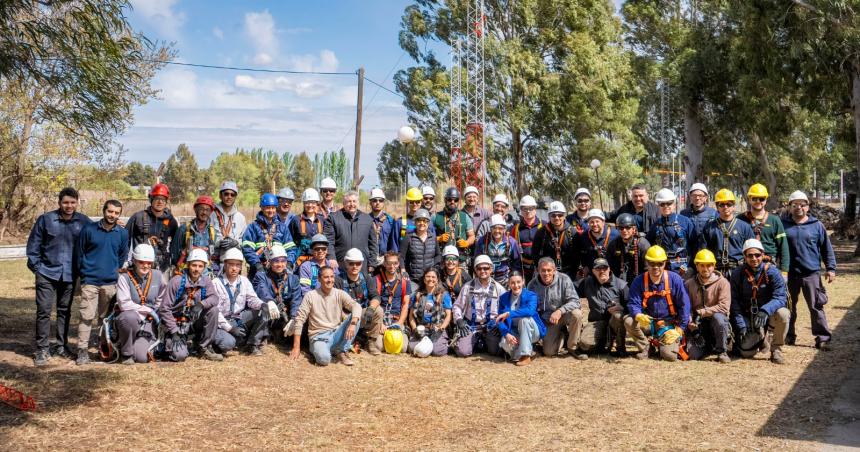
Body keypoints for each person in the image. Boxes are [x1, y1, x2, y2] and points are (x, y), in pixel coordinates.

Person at [27, 187, 92, 366]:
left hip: (70, 275)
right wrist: (38, 269)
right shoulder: (46, 220)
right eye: (65, 202)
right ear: (59, 203)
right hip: (46, 273)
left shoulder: (84, 222)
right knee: (44, 311)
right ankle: (42, 348)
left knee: (65, 312)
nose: (69, 206)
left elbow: (94, 239)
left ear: (77, 202)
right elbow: (33, 247)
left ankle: (61, 346)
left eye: (72, 202)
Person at [74, 199, 129, 365]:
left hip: (110, 282)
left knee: (105, 318)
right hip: (90, 281)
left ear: (119, 214)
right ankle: (82, 351)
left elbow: (122, 256)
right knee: (86, 316)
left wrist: (113, 270)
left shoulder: (122, 233)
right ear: (104, 211)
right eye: (110, 211)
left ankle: (104, 348)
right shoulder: (89, 229)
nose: (112, 215)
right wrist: (85, 272)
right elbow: (79, 253)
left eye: (116, 213)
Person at [782, 190, 836, 349]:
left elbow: (827, 248)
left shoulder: (817, 225)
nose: (798, 207)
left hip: (811, 274)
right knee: (788, 306)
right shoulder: (783, 224)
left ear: (807, 207)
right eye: (795, 204)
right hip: (788, 274)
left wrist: (831, 268)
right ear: (790, 207)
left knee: (816, 307)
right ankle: (788, 336)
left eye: (802, 204)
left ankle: (822, 338)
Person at [625, 245, 691, 361]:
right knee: (629, 321)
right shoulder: (639, 281)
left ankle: (661, 345)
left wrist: (680, 329)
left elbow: (684, 305)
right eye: (652, 263)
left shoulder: (674, 279)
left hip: (668, 323)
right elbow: (633, 303)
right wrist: (638, 314)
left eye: (660, 264)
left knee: (669, 356)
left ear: (665, 263)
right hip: (647, 322)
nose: (656, 267)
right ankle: (646, 348)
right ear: (647, 263)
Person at [730, 239, 790, 364]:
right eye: (750, 255)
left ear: (763, 255)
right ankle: (761, 338)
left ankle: (776, 349)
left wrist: (765, 310)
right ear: (744, 257)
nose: (754, 258)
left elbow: (780, 297)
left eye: (757, 255)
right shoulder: (737, 274)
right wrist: (741, 324)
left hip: (769, 313)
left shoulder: (772, 272)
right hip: (748, 315)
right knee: (746, 353)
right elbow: (734, 301)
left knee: (783, 313)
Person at [158, 249, 223, 362]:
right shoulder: (176, 281)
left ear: (204, 267)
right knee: (180, 356)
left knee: (214, 310)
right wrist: (173, 331)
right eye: (194, 265)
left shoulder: (206, 281)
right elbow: (164, 308)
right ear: (188, 265)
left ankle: (204, 347)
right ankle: (169, 344)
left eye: (200, 266)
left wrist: (201, 304)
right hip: (177, 323)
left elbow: (214, 298)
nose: (196, 269)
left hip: (193, 321)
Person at [289, 266, 363, 366]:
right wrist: (296, 347)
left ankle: (341, 351)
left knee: (356, 315)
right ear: (319, 279)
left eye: (332, 277)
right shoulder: (310, 295)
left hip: (336, 333)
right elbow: (300, 320)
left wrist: (353, 323)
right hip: (319, 337)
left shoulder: (339, 293)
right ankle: (325, 351)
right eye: (326, 277)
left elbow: (356, 306)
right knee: (324, 360)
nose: (330, 280)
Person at [114, 244, 166, 364]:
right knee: (128, 317)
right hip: (132, 318)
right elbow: (124, 304)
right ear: (134, 261)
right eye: (141, 262)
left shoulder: (158, 275)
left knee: (141, 358)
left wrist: (156, 309)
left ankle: (150, 343)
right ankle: (126, 353)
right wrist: (147, 310)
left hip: (149, 320)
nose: (146, 266)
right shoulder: (124, 277)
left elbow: (162, 295)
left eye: (149, 263)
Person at [212, 248, 270, 356]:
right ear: (225, 264)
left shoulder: (244, 281)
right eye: (231, 264)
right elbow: (215, 312)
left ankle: (252, 345)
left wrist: (262, 304)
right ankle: (221, 340)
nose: (234, 268)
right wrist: (230, 329)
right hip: (222, 322)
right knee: (228, 344)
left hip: (238, 318)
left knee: (263, 311)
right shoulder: (216, 283)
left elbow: (252, 299)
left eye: (238, 265)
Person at [526, 257, 583, 358]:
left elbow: (575, 301)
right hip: (547, 320)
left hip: (564, 314)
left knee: (577, 314)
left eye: (549, 270)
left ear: (554, 270)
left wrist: (560, 311)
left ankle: (572, 347)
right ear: (538, 270)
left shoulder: (564, 279)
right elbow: (529, 308)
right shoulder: (532, 285)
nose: (546, 273)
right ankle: (563, 336)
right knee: (549, 352)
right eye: (543, 270)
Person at [452, 255, 505, 357]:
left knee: (495, 351)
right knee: (462, 352)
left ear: (491, 269)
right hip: (471, 326)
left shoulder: (499, 289)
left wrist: (500, 324)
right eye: (479, 268)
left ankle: (485, 343)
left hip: (491, 326)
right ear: (475, 270)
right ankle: (473, 342)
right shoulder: (467, 287)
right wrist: (459, 320)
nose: (483, 271)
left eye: (486, 268)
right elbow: (457, 306)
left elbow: (505, 310)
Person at [684, 249, 731, 363]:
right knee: (693, 355)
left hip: (718, 324)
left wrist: (702, 312)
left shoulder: (723, 283)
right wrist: (689, 318)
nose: (705, 269)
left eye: (709, 265)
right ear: (697, 266)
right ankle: (707, 346)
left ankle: (721, 351)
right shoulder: (689, 284)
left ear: (714, 266)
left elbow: (724, 307)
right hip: (698, 325)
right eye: (702, 265)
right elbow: (685, 305)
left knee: (718, 318)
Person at [575, 258, 628, 357]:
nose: (602, 271)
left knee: (617, 316)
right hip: (597, 322)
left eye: (604, 268)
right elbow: (571, 291)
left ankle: (621, 348)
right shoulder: (586, 283)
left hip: (615, 322)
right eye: (598, 269)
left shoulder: (621, 285)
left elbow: (631, 305)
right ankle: (602, 343)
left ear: (609, 269)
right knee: (585, 345)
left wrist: (622, 308)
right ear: (593, 271)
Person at [335, 248, 384, 355]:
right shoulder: (338, 280)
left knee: (378, 310)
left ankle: (370, 342)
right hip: (343, 317)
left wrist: (371, 309)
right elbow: (334, 304)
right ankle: (342, 344)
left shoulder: (366, 278)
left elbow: (376, 296)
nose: (355, 266)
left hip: (361, 315)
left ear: (361, 264)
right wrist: (347, 318)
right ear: (346, 264)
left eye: (358, 263)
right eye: (351, 263)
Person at [252, 245, 302, 343]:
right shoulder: (261, 276)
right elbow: (262, 291)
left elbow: (296, 300)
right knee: (264, 308)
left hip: (284, 314)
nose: (280, 264)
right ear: (269, 262)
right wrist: (269, 301)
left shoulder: (293, 279)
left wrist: (293, 318)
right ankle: (258, 340)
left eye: (283, 261)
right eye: (276, 261)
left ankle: (279, 333)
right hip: (268, 313)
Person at [495, 272, 545, 366]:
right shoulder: (504, 298)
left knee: (524, 320)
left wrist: (510, 313)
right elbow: (500, 319)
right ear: (509, 284)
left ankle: (526, 355)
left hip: (532, 331)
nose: (516, 285)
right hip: (514, 331)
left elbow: (530, 311)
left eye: (518, 282)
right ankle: (531, 351)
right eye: (512, 283)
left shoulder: (531, 295)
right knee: (505, 344)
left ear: (523, 282)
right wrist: (506, 334)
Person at [126, 183, 178, 275]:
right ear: (151, 199)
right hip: (140, 265)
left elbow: (176, 244)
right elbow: (125, 240)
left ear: (166, 201)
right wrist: (124, 261)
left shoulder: (171, 221)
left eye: (163, 199)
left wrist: (175, 263)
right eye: (157, 198)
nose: (160, 202)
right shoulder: (138, 217)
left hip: (162, 266)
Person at [243, 193, 297, 280]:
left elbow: (291, 249)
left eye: (273, 207)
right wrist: (257, 265)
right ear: (262, 207)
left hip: (279, 271)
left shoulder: (282, 228)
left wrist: (289, 263)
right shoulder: (253, 227)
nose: (270, 210)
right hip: (258, 270)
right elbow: (247, 249)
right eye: (267, 207)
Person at [738, 183, 790, 275]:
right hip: (747, 265)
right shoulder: (740, 219)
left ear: (766, 200)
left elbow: (783, 246)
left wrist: (784, 270)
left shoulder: (774, 220)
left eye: (761, 199)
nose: (758, 201)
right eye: (754, 198)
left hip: (769, 264)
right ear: (749, 200)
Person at [701, 189, 755, 275]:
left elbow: (752, 250)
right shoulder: (709, 228)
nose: (725, 207)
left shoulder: (744, 227)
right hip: (716, 272)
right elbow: (703, 251)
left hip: (739, 271)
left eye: (729, 204)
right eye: (721, 204)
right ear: (717, 207)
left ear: (733, 206)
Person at [646, 188, 697, 276]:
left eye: (669, 203)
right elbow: (648, 245)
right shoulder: (656, 225)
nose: (666, 206)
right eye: (662, 204)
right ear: (658, 206)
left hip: (683, 268)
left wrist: (689, 265)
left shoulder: (685, 222)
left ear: (674, 204)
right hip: (663, 268)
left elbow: (696, 246)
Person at [324, 190, 378, 273]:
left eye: (354, 201)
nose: (352, 204)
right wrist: (331, 257)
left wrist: (372, 263)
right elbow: (329, 241)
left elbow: (373, 244)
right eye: (349, 201)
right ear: (344, 203)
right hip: (340, 265)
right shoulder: (333, 218)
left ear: (358, 203)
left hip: (361, 266)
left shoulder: (367, 219)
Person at [407, 268, 452, 357]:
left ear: (437, 279)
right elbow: (411, 316)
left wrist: (441, 328)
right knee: (412, 349)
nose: (430, 279)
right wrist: (415, 329)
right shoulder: (417, 295)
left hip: (437, 328)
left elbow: (448, 315)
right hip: (422, 328)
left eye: (433, 277)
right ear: (424, 279)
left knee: (437, 351)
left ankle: (445, 344)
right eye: (428, 276)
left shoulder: (444, 294)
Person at [172, 195, 216, 276]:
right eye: (201, 209)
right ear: (195, 209)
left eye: (207, 210)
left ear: (211, 212)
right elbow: (174, 255)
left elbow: (213, 255)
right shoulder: (184, 230)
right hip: (185, 274)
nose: (204, 212)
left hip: (205, 275)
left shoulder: (212, 232)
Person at [533, 201, 578, 281]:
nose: (557, 218)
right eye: (553, 215)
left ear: (564, 216)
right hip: (548, 273)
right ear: (549, 216)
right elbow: (535, 253)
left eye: (560, 215)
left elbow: (578, 255)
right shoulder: (541, 233)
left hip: (569, 273)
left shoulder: (572, 232)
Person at [374, 252, 412, 347]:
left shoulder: (405, 282)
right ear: (384, 264)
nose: (392, 266)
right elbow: (374, 303)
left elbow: (405, 304)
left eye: (395, 263)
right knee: (379, 346)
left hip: (396, 319)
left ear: (399, 264)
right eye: (389, 263)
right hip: (381, 319)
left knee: (402, 348)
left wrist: (400, 323)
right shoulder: (376, 280)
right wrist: (380, 323)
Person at [474, 214, 522, 287]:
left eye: (500, 228)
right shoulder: (482, 241)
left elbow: (517, 263)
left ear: (504, 229)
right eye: (494, 228)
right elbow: (477, 259)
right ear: (490, 229)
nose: (497, 231)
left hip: (505, 277)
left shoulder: (512, 242)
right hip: (486, 277)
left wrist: (513, 277)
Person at [433, 187, 475, 269]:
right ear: (445, 200)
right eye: (449, 199)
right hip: (442, 259)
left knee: (462, 281)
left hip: (461, 259)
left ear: (458, 201)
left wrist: (467, 243)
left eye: (455, 200)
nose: (452, 202)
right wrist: (438, 239)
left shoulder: (465, 217)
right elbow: (427, 237)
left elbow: (472, 236)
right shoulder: (435, 217)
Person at [399, 209, 440, 287]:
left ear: (428, 223)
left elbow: (438, 255)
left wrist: (433, 267)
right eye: (419, 220)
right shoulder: (408, 237)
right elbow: (401, 256)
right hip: (413, 279)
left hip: (429, 279)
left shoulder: (433, 237)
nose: (422, 223)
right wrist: (403, 270)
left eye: (425, 221)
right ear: (414, 222)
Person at [607, 213, 650, 285]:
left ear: (634, 229)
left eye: (628, 227)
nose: (624, 230)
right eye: (621, 228)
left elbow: (648, 269)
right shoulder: (613, 244)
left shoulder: (643, 245)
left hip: (639, 282)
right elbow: (609, 266)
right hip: (619, 282)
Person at [210, 181, 247, 265]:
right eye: (226, 194)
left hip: (234, 261)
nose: (229, 197)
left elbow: (245, 239)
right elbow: (205, 237)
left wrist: (236, 243)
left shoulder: (240, 218)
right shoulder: (211, 215)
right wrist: (217, 243)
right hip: (214, 260)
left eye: (232, 194)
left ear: (235, 197)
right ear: (220, 195)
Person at [510, 195, 543, 282]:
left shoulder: (544, 225)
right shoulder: (515, 229)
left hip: (541, 267)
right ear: (521, 210)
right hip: (523, 268)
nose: (528, 211)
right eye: (525, 208)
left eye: (531, 208)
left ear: (535, 209)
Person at [289, 188, 325, 268]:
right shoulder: (296, 220)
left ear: (316, 204)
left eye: (313, 202)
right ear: (303, 203)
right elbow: (289, 241)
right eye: (307, 203)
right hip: (300, 262)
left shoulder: (322, 220)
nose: (310, 205)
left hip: (318, 261)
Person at [577, 209, 618, 274]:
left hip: (612, 273)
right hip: (593, 273)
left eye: (597, 221)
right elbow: (582, 255)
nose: (594, 224)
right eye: (591, 222)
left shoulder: (615, 235)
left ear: (603, 222)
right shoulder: (584, 236)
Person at [369, 187, 400, 256]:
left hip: (386, 260)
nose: (378, 203)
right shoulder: (365, 220)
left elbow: (393, 243)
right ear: (370, 202)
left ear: (383, 203)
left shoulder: (390, 221)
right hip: (370, 259)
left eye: (380, 200)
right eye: (374, 200)